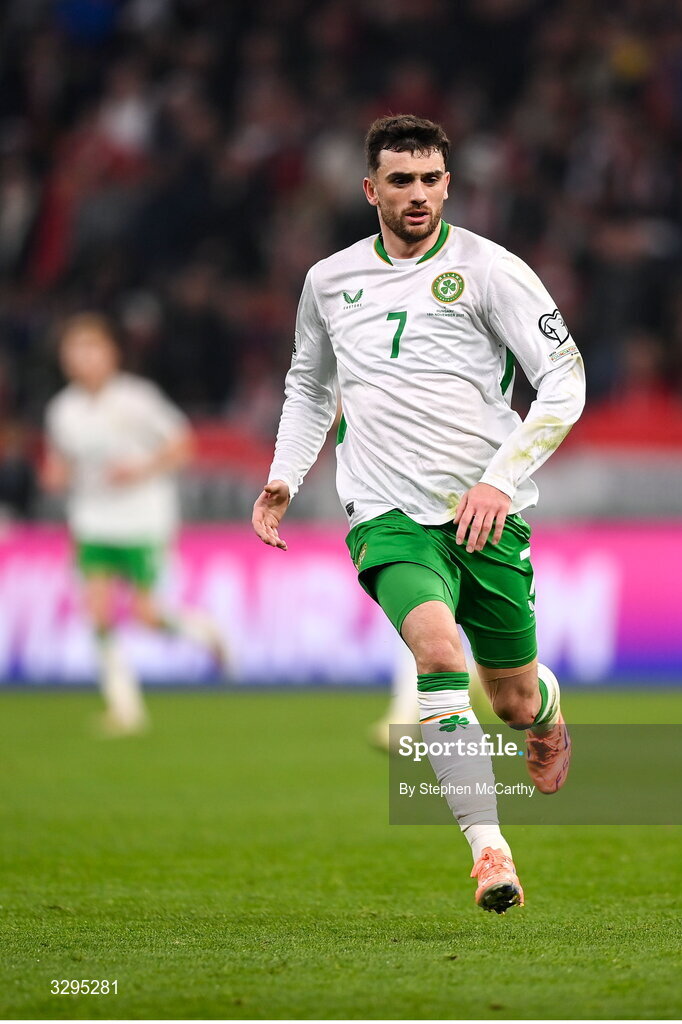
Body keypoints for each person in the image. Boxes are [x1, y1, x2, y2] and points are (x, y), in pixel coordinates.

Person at [252, 114, 585, 913]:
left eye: (431, 179)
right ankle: (489, 852)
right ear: (370, 190)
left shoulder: (490, 270)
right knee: (436, 652)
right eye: (401, 180)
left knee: (507, 696)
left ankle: (545, 710)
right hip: (384, 511)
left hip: (485, 515)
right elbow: (309, 385)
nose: (418, 194)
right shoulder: (329, 281)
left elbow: (565, 381)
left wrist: (500, 481)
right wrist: (283, 476)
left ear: (448, 184)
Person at [43, 313, 228, 735]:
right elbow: (60, 465)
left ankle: (205, 632)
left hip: (143, 517)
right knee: (99, 609)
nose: (83, 358)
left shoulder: (137, 398)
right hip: (91, 520)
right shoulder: (62, 410)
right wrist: (55, 475)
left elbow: (184, 445)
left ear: (111, 353)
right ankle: (124, 705)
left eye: (91, 348)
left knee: (146, 615)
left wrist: (140, 470)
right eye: (75, 350)